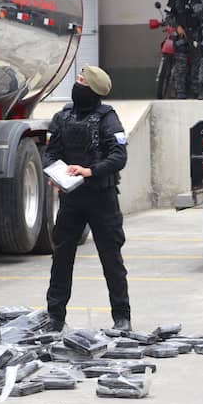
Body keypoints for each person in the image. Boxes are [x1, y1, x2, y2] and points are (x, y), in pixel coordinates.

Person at [43, 65, 130, 332]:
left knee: (111, 257)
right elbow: (51, 151)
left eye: (82, 81)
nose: (77, 84)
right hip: (72, 198)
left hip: (101, 197)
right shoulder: (63, 116)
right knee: (61, 257)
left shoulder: (107, 118)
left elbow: (119, 156)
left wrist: (90, 171)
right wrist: (55, 173)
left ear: (91, 89)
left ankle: (122, 318)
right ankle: (55, 317)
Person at [166, 0, 201, 98]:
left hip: (197, 35)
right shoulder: (175, 0)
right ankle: (180, 91)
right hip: (182, 36)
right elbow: (168, 17)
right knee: (181, 64)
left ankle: (196, 90)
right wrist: (177, 27)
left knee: (197, 64)